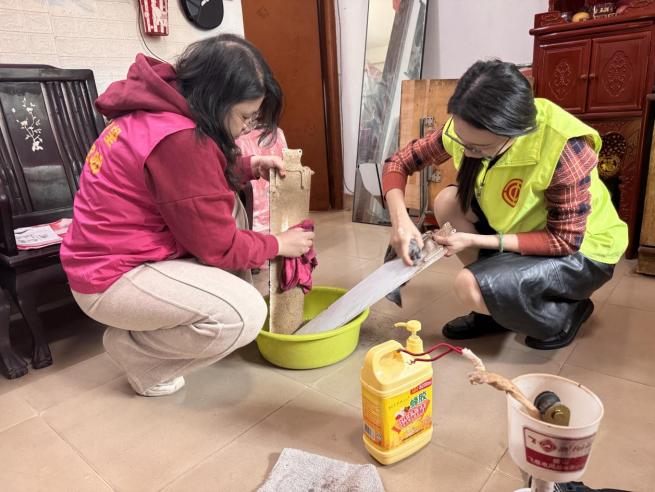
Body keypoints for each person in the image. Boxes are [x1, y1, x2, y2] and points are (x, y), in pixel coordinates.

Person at [60, 34, 314, 396]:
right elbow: (219, 246)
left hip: (110, 257)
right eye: (244, 116)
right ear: (214, 99)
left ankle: (186, 322)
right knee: (244, 315)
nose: (247, 127)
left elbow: (186, 184)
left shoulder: (159, 105)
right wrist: (278, 244)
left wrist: (248, 165)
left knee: (230, 205)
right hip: (110, 278)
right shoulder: (179, 140)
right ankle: (138, 355)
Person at [383, 60, 628, 350]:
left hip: (583, 250)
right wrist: (401, 221)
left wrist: (475, 240)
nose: (466, 152)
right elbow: (398, 163)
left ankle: (565, 312)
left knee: (468, 286)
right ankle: (496, 306)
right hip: (525, 227)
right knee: (448, 202)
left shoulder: (563, 147)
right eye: (462, 141)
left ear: (515, 133)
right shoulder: (468, 126)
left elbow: (564, 240)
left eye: (479, 148)